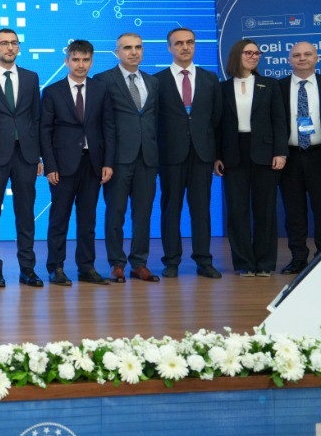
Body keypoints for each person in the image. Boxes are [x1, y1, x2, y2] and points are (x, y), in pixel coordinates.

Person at [40, 40, 115, 285]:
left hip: (93, 164)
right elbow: (45, 131)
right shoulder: (52, 91)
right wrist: (50, 166)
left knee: (88, 219)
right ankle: (56, 268)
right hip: (62, 166)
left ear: (91, 62)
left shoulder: (101, 89)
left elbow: (108, 127)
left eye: (85, 60)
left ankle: (86, 267)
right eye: (76, 59)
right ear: (67, 61)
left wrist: (108, 162)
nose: (80, 64)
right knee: (59, 219)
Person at [0, 28, 42, 288]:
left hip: (26, 155)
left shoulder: (31, 77)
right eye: (3, 43)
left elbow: (36, 118)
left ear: (19, 47)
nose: (9, 47)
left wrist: (39, 156)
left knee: (26, 214)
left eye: (14, 43)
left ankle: (28, 269)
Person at [156, 27, 223, 279]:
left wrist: (217, 154)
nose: (185, 47)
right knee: (170, 209)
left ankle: (204, 260)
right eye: (179, 43)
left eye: (190, 42)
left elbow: (217, 119)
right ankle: (171, 261)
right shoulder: (157, 81)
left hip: (202, 154)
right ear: (169, 48)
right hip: (170, 156)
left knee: (201, 210)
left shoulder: (210, 78)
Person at [216, 39, 287, 276]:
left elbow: (279, 121)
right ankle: (244, 264)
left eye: (257, 53)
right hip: (233, 155)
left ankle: (265, 264)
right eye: (248, 52)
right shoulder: (223, 88)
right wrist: (217, 156)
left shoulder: (270, 85)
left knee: (265, 210)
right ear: (237, 55)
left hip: (264, 153)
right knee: (237, 211)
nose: (254, 56)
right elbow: (217, 125)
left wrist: (280, 152)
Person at [96, 32, 161, 283]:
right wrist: (105, 160)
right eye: (127, 48)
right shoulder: (103, 80)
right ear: (117, 53)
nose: (133, 52)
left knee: (143, 214)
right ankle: (117, 263)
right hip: (118, 159)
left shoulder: (153, 82)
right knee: (116, 213)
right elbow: (101, 122)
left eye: (138, 47)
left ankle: (139, 263)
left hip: (148, 158)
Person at [278, 40, 320, 274]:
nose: (302, 58)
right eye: (296, 55)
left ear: (316, 58)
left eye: (307, 54)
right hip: (289, 157)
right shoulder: (279, 87)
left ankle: (320, 259)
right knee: (294, 212)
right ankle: (298, 258)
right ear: (289, 60)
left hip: (319, 155)